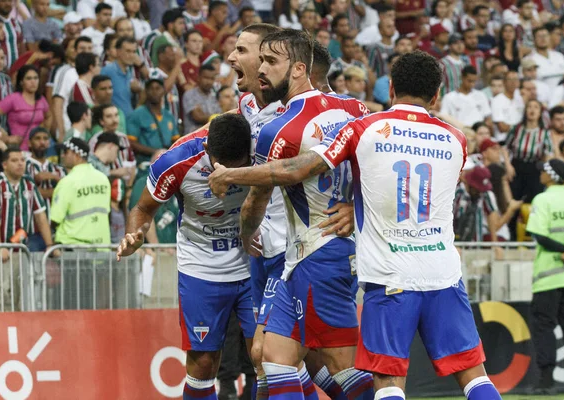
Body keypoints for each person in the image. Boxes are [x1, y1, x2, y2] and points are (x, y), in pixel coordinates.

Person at [208, 50, 502, 400]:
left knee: (388, 383)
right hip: (444, 271)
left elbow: (296, 169)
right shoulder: (457, 139)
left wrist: (231, 174)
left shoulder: (364, 129)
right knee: (474, 377)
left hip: (390, 275)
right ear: (437, 95)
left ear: (390, 87)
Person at [217, 29, 375, 400]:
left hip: (323, 254)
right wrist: (357, 206)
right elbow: (375, 168)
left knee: (342, 365)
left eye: (272, 62)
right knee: (272, 356)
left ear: (299, 69)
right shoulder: (356, 109)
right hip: (303, 256)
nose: (262, 70)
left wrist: (244, 231)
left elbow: (261, 193)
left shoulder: (279, 128)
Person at [117, 113, 257, 400]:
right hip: (201, 268)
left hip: (253, 260)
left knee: (267, 356)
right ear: (208, 151)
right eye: (224, 168)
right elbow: (142, 210)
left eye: (239, 167)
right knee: (204, 364)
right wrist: (134, 235)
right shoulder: (175, 162)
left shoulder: (262, 148)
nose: (231, 176)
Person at [526, 158, 564, 395]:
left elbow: (539, 236)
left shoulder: (543, 199)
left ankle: (545, 381)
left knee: (544, 328)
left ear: (551, 175)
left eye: (543, 171)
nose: (541, 175)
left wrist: (563, 251)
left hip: (548, 278)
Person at [0, 147, 54, 311]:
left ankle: (17, 332)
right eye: (14, 160)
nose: (20, 164)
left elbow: (41, 216)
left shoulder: (29, 183)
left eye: (22, 160)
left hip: (22, 250)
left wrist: (50, 245)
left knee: (21, 294)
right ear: (4, 164)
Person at [51, 137, 111, 245]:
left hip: (72, 247)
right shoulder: (103, 179)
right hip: (101, 245)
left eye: (66, 152)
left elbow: (55, 218)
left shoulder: (68, 182)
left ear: (77, 155)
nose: (62, 156)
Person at [0, 65, 51, 152]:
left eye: (35, 78)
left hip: (38, 149)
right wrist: (6, 138)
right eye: (29, 78)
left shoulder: (41, 99)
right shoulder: (13, 99)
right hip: (18, 149)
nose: (33, 82)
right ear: (21, 82)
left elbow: (49, 116)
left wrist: (45, 134)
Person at [507, 98, 553, 204]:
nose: (532, 110)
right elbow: (505, 148)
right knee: (514, 197)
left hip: (534, 167)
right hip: (516, 166)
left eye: (536, 107)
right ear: (525, 111)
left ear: (540, 112)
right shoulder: (516, 128)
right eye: (529, 107)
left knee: (533, 198)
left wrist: (545, 170)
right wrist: (508, 165)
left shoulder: (544, 132)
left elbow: (548, 153)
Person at [127, 78, 178, 165]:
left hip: (167, 162)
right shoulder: (137, 114)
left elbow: (176, 140)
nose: (154, 91)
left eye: (158, 88)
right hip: (146, 162)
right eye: (151, 89)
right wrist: (157, 152)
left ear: (163, 91)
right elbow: (131, 142)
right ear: (146, 92)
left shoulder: (169, 116)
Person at [25, 127, 65, 212]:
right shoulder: (23, 166)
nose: (42, 142)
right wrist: (58, 190)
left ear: (49, 143)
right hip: (32, 222)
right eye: (37, 138)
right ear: (29, 143)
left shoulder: (58, 169)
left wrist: (55, 178)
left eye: (45, 139)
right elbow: (30, 194)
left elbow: (68, 192)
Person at [101, 37, 141, 118]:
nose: (132, 55)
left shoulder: (129, 74)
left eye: (134, 52)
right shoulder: (108, 71)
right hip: (114, 123)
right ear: (118, 52)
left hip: (128, 124)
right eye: (128, 51)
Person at [529, 26, 564, 92]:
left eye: (545, 36)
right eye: (539, 36)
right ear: (534, 40)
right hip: (542, 94)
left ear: (549, 38)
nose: (543, 39)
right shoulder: (529, 60)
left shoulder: (559, 56)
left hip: (563, 93)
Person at [182, 64, 221, 134]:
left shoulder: (215, 95)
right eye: (206, 78)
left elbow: (222, 113)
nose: (209, 82)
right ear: (198, 78)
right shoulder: (190, 95)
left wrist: (208, 116)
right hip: (193, 139)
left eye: (212, 78)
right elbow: (197, 117)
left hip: (211, 137)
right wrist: (215, 117)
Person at [491, 70, 524, 141]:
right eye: (510, 79)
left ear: (518, 82)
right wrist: (522, 129)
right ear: (504, 82)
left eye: (515, 79)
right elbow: (502, 127)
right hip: (504, 140)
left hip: (520, 139)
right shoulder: (497, 100)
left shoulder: (520, 99)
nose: (513, 82)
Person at [0, 0, 25, 68]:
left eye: (10, 1)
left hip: (16, 71)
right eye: (3, 1)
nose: (7, 4)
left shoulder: (16, 23)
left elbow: (22, 47)